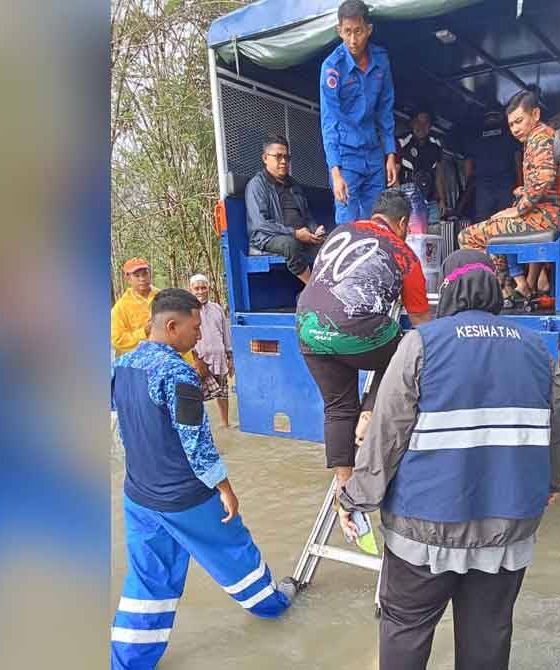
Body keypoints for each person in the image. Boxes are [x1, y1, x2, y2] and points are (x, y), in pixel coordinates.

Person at [337, 249, 560, 670]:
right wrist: (552, 482)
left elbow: (386, 436)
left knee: (405, 629)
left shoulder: (421, 344)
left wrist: (355, 498)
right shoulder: (537, 349)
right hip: (509, 529)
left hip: (423, 528)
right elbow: (557, 429)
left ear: (446, 289)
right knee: (489, 635)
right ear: (495, 289)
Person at [111, 289, 295, 670]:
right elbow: (197, 442)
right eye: (195, 328)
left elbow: (123, 428)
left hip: (138, 495)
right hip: (184, 497)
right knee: (234, 551)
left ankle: (127, 662)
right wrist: (225, 488)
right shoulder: (179, 372)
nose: (200, 336)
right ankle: (272, 606)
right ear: (172, 325)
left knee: (148, 583)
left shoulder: (123, 365)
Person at [296, 189, 432, 489]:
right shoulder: (403, 252)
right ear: (402, 222)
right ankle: (370, 413)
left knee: (338, 407)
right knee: (407, 348)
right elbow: (422, 321)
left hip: (307, 327)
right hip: (356, 329)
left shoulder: (339, 232)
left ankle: (344, 485)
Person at [458, 91, 560, 306]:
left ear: (535, 114)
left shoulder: (540, 137)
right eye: (511, 124)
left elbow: (544, 178)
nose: (515, 129)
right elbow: (542, 181)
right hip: (544, 213)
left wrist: (520, 208)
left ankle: (501, 290)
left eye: (519, 121)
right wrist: (523, 192)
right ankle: (508, 290)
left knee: (468, 237)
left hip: (546, 217)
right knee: (495, 226)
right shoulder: (537, 137)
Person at [320, 0, 397, 225]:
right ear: (339, 31)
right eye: (347, 32)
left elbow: (385, 108)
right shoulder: (332, 67)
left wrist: (390, 155)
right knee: (348, 223)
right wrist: (335, 173)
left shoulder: (381, 59)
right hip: (345, 156)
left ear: (369, 29)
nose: (353, 40)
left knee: (377, 221)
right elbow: (329, 121)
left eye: (358, 31)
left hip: (374, 153)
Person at [245, 135, 325, 284]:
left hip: (299, 234)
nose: (283, 161)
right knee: (290, 245)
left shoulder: (293, 184)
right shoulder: (257, 185)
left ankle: (328, 288)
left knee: (329, 244)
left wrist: (314, 231)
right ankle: (312, 289)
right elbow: (260, 224)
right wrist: (294, 233)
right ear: (265, 158)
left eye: (286, 157)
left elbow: (307, 215)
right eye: (278, 156)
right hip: (267, 238)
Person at [458, 109, 522, 223]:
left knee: (483, 224)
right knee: (506, 222)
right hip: (505, 186)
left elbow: (468, 164)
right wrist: (521, 185)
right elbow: (518, 160)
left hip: (484, 188)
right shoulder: (508, 131)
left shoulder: (475, 134)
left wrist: (470, 186)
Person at [189, 274, 234, 428]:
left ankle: (225, 424)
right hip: (200, 362)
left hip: (219, 359)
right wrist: (196, 360)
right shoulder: (188, 311)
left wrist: (230, 357)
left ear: (208, 289)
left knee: (223, 394)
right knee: (196, 397)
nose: (200, 291)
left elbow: (225, 334)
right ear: (191, 290)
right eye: (197, 288)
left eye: (203, 288)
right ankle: (201, 428)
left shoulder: (217, 308)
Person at [397, 108, 447, 222]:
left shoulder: (436, 145)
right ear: (412, 123)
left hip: (431, 201)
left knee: (433, 236)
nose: (421, 126)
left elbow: (439, 175)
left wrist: (442, 199)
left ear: (430, 126)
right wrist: (400, 202)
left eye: (425, 123)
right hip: (409, 201)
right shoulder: (402, 142)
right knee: (413, 236)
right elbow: (394, 174)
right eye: (418, 122)